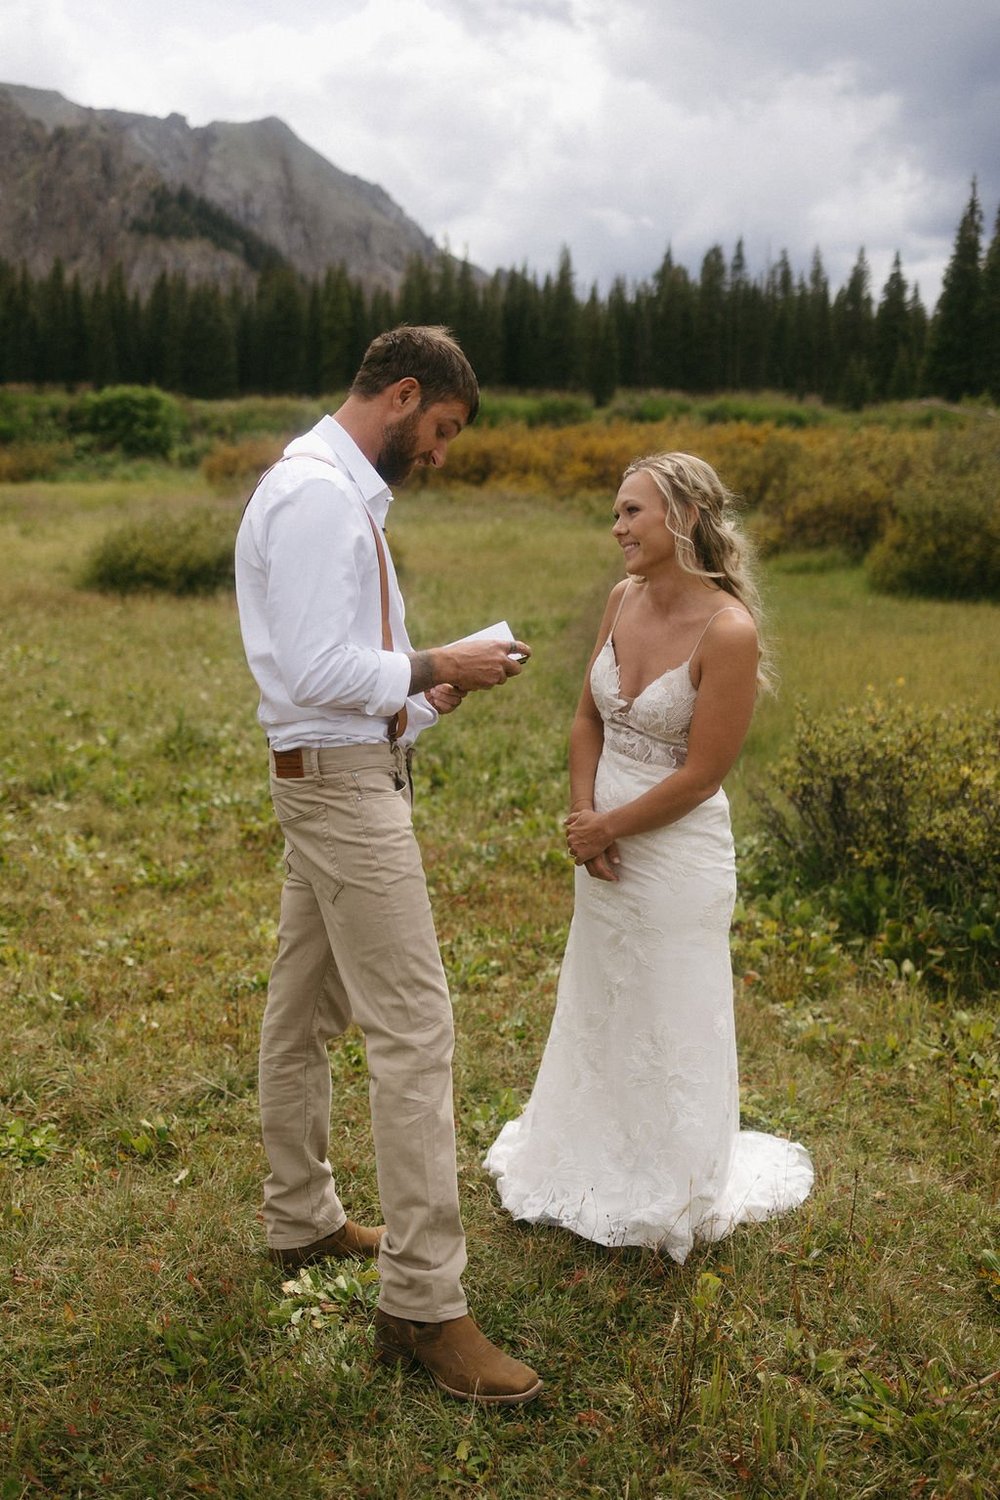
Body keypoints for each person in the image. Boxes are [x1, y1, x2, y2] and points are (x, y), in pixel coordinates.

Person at [235, 325, 542, 1404]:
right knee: (414, 1031)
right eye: (445, 429)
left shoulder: (317, 483)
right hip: (341, 794)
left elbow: (328, 678)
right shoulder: (321, 493)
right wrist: (434, 660)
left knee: (302, 1011)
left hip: (329, 771)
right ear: (403, 394)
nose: (444, 452)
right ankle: (423, 1302)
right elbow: (322, 667)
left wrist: (427, 696)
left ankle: (300, 1216)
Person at [485, 452, 813, 1259]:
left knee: (669, 1007)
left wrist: (612, 828)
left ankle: (672, 1176)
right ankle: (587, 1153)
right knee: (601, 993)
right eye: (616, 511)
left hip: (675, 851)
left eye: (632, 511)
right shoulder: (620, 599)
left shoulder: (727, 630)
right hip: (603, 836)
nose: (617, 526)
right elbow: (586, 721)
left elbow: (704, 774)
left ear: (684, 518)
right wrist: (581, 815)